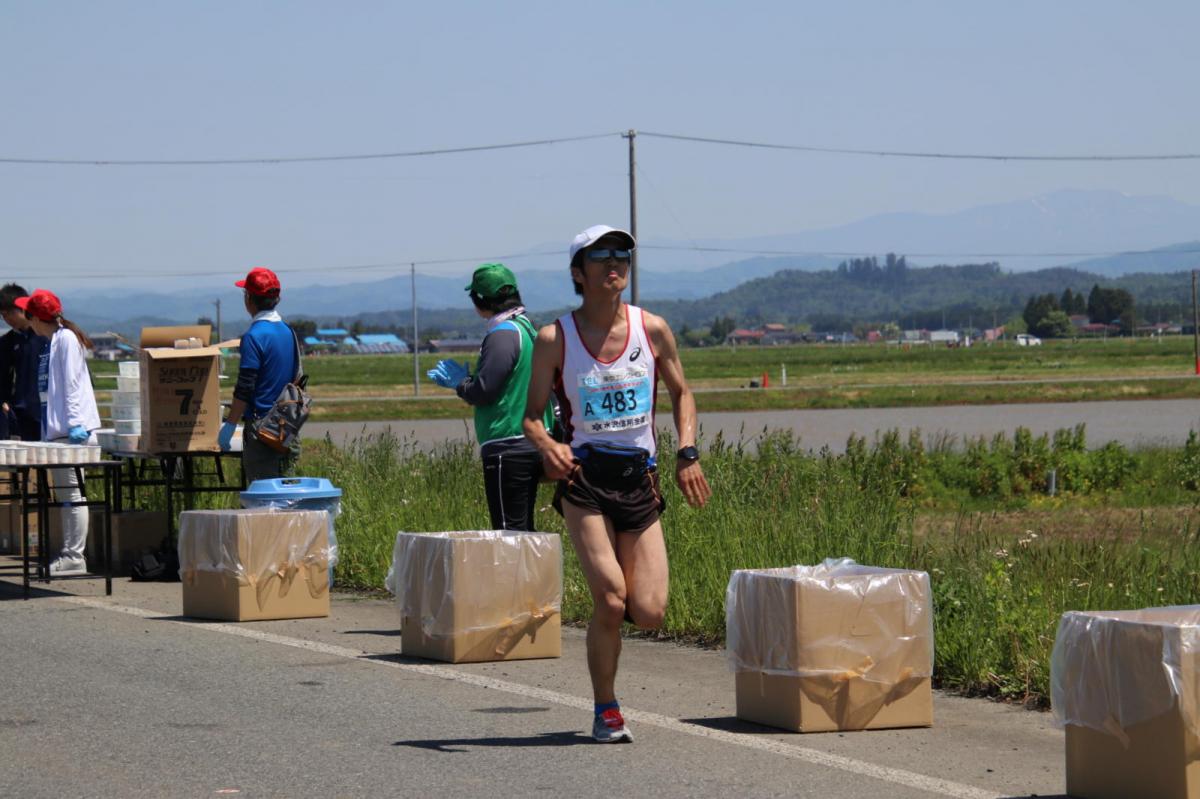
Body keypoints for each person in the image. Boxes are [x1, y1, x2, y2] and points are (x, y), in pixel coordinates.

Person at [523, 224, 712, 743]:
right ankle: (606, 707)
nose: (615, 263)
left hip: (639, 479)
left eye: (623, 254)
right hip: (585, 480)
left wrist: (687, 451)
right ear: (577, 273)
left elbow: (682, 392)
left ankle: (610, 627)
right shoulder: (554, 339)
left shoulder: (651, 329)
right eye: (601, 255)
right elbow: (532, 417)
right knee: (609, 599)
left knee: (648, 612)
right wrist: (549, 447)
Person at [428, 263, 554, 531]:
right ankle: (532, 573)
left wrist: (461, 384)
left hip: (507, 445)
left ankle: (520, 575)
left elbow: (484, 391)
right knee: (522, 528)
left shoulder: (502, 335)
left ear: (480, 300)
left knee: (509, 531)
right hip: (530, 441)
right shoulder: (527, 327)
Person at [14, 289, 101, 575]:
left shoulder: (65, 341)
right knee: (68, 495)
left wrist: (75, 423)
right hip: (61, 431)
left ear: (36, 318)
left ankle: (74, 556)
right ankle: (70, 554)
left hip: (71, 432)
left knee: (73, 496)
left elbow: (72, 384)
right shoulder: (56, 341)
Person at [218, 267, 300, 483]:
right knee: (287, 493)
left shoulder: (253, 337)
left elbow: (245, 386)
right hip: (287, 424)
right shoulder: (288, 331)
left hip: (262, 428)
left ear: (249, 299)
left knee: (264, 502)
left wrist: (231, 424)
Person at [0, 283, 48, 441]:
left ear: (21, 308)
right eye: (3, 316)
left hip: (47, 406)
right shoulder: (7, 342)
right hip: (21, 409)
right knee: (24, 457)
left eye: (8, 314)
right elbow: (3, 375)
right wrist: (4, 401)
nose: (6, 319)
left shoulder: (45, 335)